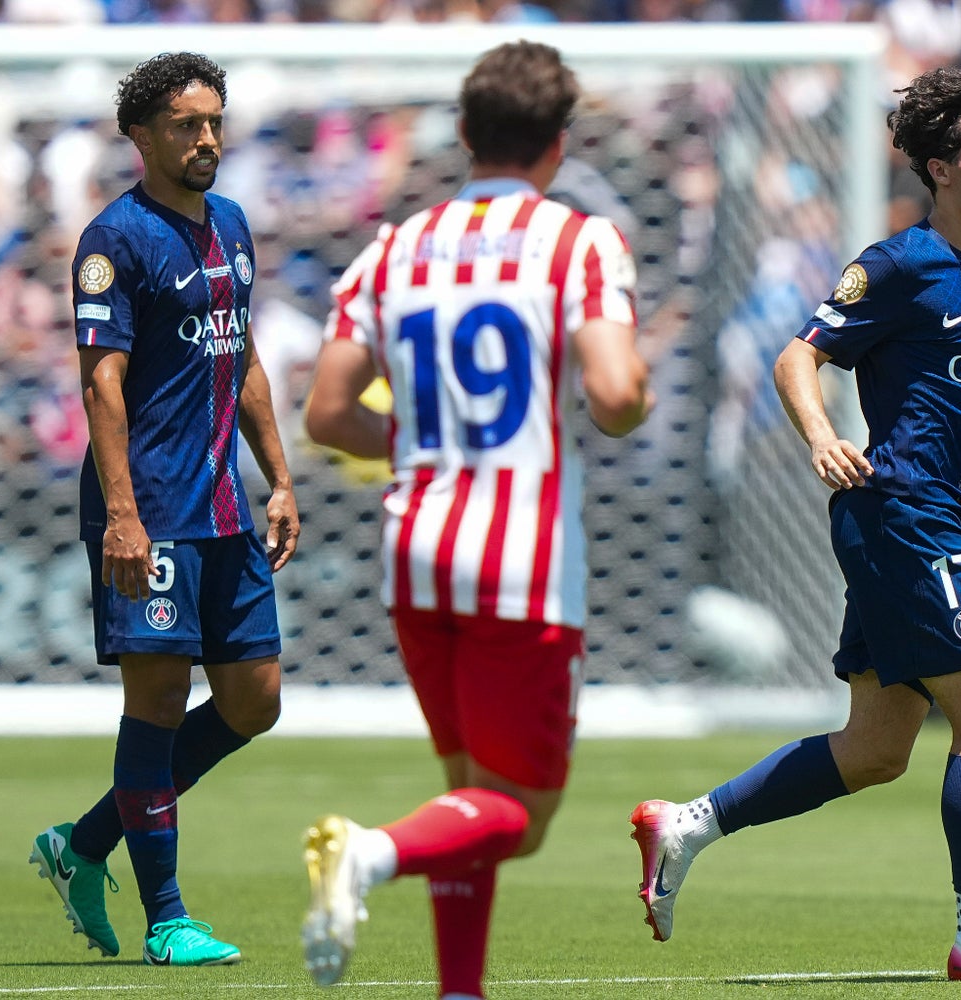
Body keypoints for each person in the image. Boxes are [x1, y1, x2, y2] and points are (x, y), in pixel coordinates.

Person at [626, 68, 961, 982]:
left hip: (932, 510)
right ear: (936, 168)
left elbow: (950, 405)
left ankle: (687, 825)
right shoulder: (898, 264)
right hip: (903, 518)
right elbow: (799, 357)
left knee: (877, 750)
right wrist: (824, 436)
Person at [297, 40, 650, 998]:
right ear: (559, 143)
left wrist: (417, 443)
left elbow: (326, 414)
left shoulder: (394, 245)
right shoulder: (581, 240)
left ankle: (461, 990)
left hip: (414, 546)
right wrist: (637, 388)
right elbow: (616, 396)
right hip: (520, 560)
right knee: (519, 813)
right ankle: (368, 855)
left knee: (468, 791)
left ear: (463, 133)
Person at [27, 51, 300, 967]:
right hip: (150, 510)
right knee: (156, 701)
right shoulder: (114, 241)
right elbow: (102, 388)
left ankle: (83, 844)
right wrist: (122, 517)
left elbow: (245, 355)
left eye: (215, 121)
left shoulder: (231, 224)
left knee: (254, 702)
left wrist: (282, 476)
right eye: (188, 124)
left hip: (225, 508)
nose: (208, 138)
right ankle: (168, 919)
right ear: (140, 137)